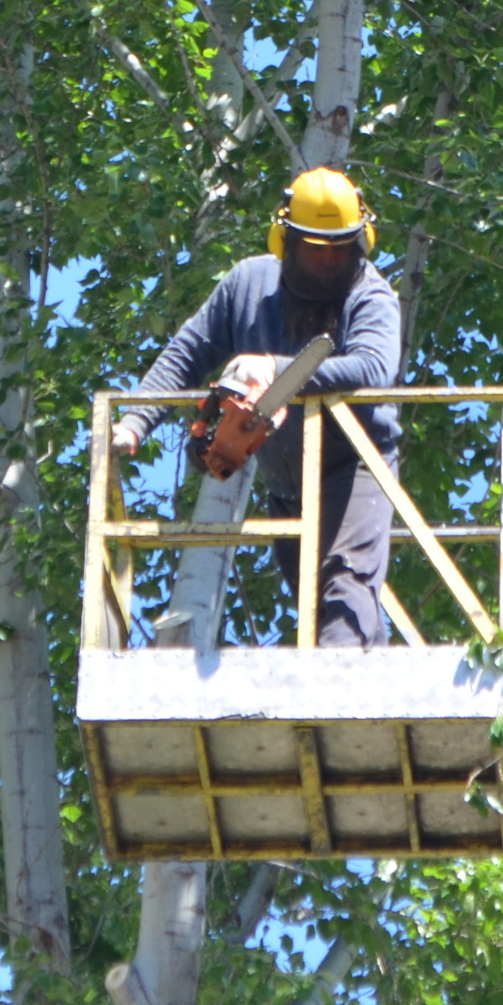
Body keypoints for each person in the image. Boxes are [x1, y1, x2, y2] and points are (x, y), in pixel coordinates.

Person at [112, 167, 404, 647]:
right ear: (285, 241)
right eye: (316, 250)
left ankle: (336, 707)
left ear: (360, 241)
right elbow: (185, 354)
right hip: (287, 484)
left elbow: (373, 368)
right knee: (314, 609)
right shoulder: (246, 285)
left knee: (343, 585)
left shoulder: (370, 293)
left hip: (356, 467)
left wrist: (276, 370)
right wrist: (136, 421)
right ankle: (363, 689)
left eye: (339, 250)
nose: (329, 261)